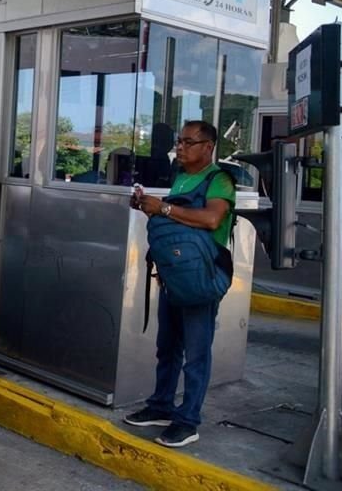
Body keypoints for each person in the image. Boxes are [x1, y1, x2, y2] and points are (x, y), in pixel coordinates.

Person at [124, 120, 236, 448]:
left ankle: (188, 421)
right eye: (179, 141)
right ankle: (161, 406)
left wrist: (165, 207)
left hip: (200, 279)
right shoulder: (183, 176)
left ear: (208, 147)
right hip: (175, 276)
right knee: (168, 346)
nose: (181, 148)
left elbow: (211, 218)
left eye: (189, 142)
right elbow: (179, 225)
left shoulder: (219, 180)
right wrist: (150, 208)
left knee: (196, 354)